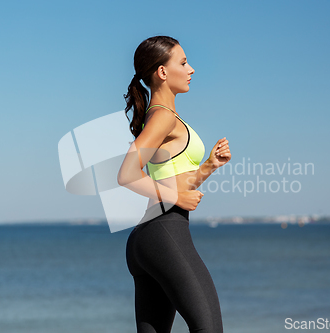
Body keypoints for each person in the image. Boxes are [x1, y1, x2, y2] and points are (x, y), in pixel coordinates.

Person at [117, 35, 231, 333]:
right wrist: (177, 199)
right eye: (183, 62)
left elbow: (173, 179)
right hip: (165, 233)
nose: (191, 69)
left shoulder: (163, 116)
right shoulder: (163, 118)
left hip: (148, 238)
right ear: (162, 72)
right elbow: (127, 173)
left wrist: (209, 165)